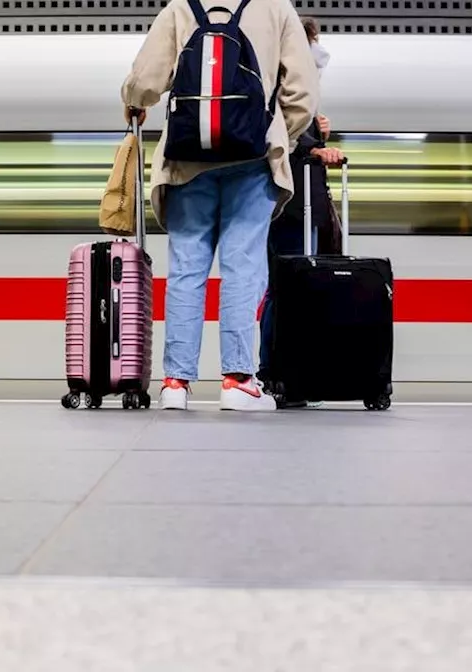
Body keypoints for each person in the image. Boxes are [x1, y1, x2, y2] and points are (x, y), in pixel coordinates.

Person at [121, 0, 319, 412]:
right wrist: (279, 135)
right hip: (253, 160)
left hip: (187, 160)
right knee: (242, 267)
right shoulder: (275, 8)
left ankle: (175, 383)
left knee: (187, 269)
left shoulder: (180, 7)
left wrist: (133, 99)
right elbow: (302, 92)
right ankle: (238, 381)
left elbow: (144, 82)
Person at [257, 16, 346, 392]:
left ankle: (278, 372)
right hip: (292, 205)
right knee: (289, 286)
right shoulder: (283, 89)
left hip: (286, 203)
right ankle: (280, 374)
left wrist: (318, 135)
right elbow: (283, 144)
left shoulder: (284, 90)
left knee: (282, 286)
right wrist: (316, 149)